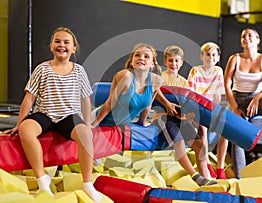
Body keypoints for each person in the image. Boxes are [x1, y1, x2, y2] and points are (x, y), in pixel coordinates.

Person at [3, 27, 102, 202]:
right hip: (45, 114)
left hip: (68, 116)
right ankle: (42, 179)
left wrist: (87, 123)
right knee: (26, 130)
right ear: (51, 47)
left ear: (73, 48)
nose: (61, 45)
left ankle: (87, 182)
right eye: (57, 41)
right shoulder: (42, 69)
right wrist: (20, 123)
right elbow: (29, 99)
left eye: (66, 42)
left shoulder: (78, 71)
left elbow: (86, 99)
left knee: (86, 135)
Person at [144, 45, 217, 186]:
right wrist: (166, 104)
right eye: (170, 61)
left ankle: (205, 176)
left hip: (179, 119)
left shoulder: (184, 82)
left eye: (177, 61)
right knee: (180, 143)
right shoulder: (161, 78)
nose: (174, 64)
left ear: (181, 62)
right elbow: (155, 92)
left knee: (200, 146)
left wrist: (189, 115)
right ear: (165, 62)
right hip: (163, 117)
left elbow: (188, 102)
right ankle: (196, 176)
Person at [223, 28, 262, 178]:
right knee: (237, 134)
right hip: (238, 99)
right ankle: (239, 177)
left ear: (258, 40)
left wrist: (257, 99)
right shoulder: (235, 58)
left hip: (258, 99)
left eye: (250, 35)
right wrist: (235, 107)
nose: (246, 38)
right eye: (243, 36)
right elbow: (226, 84)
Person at [91, 43, 165, 127]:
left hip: (119, 125)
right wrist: (93, 125)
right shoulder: (126, 76)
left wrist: (142, 123)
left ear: (152, 63)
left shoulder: (156, 81)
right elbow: (110, 103)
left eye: (146, 56)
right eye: (137, 55)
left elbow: (147, 105)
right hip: (99, 120)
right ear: (132, 61)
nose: (141, 58)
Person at [187, 42, 227, 179]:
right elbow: (191, 92)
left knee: (224, 131)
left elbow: (218, 94)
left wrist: (215, 110)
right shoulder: (195, 70)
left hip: (212, 106)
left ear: (217, 58)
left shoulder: (218, 71)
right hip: (198, 106)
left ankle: (220, 167)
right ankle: (206, 162)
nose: (210, 57)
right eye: (207, 55)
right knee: (203, 131)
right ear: (201, 56)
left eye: (213, 55)